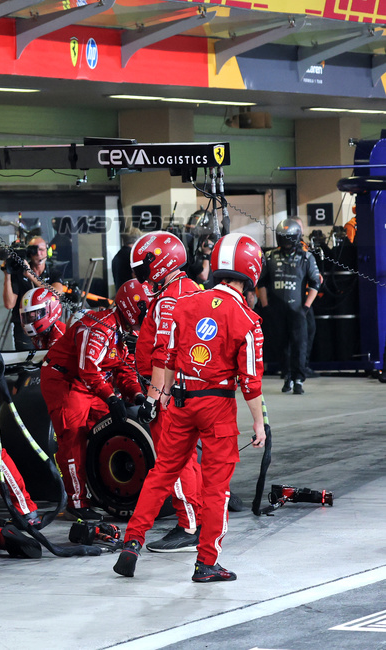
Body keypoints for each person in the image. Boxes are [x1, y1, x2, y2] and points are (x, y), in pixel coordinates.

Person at [114, 233, 267, 583]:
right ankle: (206, 563)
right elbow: (251, 381)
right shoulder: (247, 321)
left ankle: (132, 543)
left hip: (181, 402)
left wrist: (158, 397)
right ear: (250, 271)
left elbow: (164, 359)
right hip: (218, 407)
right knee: (216, 488)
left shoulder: (184, 305)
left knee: (161, 473)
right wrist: (259, 424)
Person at [40, 279, 148, 520]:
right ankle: (77, 504)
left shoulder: (122, 330)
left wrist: (137, 395)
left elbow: (123, 369)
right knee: (74, 437)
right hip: (64, 380)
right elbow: (88, 369)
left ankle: (100, 489)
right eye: (145, 309)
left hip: (89, 382)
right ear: (132, 307)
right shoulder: (99, 327)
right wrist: (111, 397)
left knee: (111, 426)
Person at [130, 231, 203, 553]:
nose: (141, 277)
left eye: (142, 269)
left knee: (174, 461)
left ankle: (189, 525)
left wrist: (153, 398)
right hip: (194, 388)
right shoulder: (193, 290)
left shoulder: (169, 299)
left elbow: (164, 352)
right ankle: (198, 517)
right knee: (190, 458)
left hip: (170, 392)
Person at [257, 219, 322, 395]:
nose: (285, 241)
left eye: (288, 238)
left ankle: (298, 379)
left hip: (298, 309)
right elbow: (261, 282)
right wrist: (265, 305)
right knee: (281, 344)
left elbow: (316, 283)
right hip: (276, 310)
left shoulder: (306, 257)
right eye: (282, 238)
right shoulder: (270, 257)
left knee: (300, 344)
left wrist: (306, 306)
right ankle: (287, 376)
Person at [2, 236, 64, 350]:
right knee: (26, 363)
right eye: (34, 249)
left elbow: (57, 292)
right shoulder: (19, 272)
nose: (38, 253)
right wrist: (7, 274)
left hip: (49, 324)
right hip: (25, 327)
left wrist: (31, 276)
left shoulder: (54, 272)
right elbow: (9, 304)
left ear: (47, 251)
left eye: (41, 249)